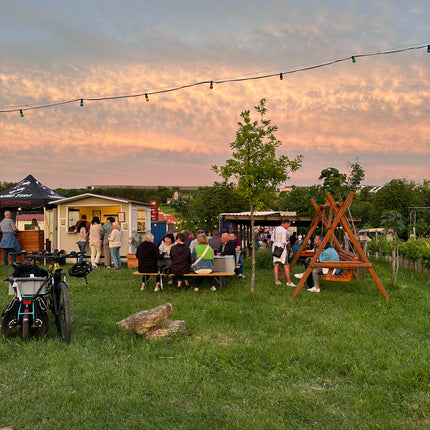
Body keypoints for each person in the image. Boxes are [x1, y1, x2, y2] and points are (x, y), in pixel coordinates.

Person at [272, 219, 295, 287]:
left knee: (276, 265)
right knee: (286, 265)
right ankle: (289, 281)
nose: (288, 227)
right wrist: (287, 242)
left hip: (275, 249)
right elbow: (283, 241)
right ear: (286, 223)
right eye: (288, 225)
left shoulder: (275, 229)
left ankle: (276, 280)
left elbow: (272, 239)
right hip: (282, 250)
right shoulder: (283, 230)